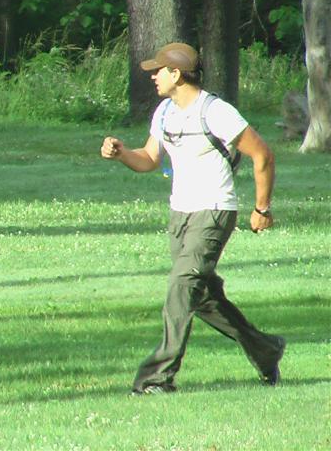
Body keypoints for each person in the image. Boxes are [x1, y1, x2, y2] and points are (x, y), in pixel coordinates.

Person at [100, 42, 286, 395]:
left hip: (214, 210)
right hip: (180, 214)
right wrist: (122, 153)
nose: (153, 76)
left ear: (177, 74)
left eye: (159, 70)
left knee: (180, 288)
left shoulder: (216, 112)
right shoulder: (165, 111)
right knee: (201, 298)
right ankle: (265, 349)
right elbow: (149, 159)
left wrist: (262, 208)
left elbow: (263, 155)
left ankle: (157, 378)